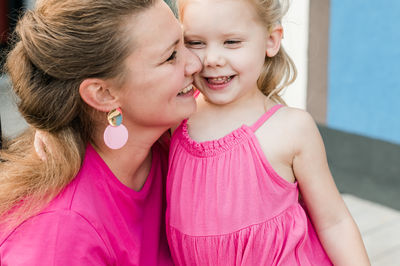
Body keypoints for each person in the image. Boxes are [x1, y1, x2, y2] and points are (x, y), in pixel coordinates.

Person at [165, 0, 370, 265]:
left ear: (271, 41)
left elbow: (334, 222)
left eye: (231, 42)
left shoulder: (290, 129)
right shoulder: (178, 116)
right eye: (195, 42)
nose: (212, 59)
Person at [0, 0, 201, 264]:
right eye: (171, 56)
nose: (196, 63)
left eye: (186, 42)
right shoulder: (60, 236)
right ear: (103, 94)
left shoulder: (175, 131)